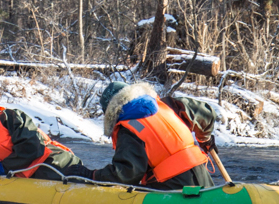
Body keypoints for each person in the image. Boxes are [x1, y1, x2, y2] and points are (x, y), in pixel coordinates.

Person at [89, 80, 217, 189]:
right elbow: (206, 113)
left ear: (111, 112)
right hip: (202, 175)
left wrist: (92, 175)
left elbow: (127, 174)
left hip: (173, 186)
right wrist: (205, 139)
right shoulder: (165, 105)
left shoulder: (129, 127)